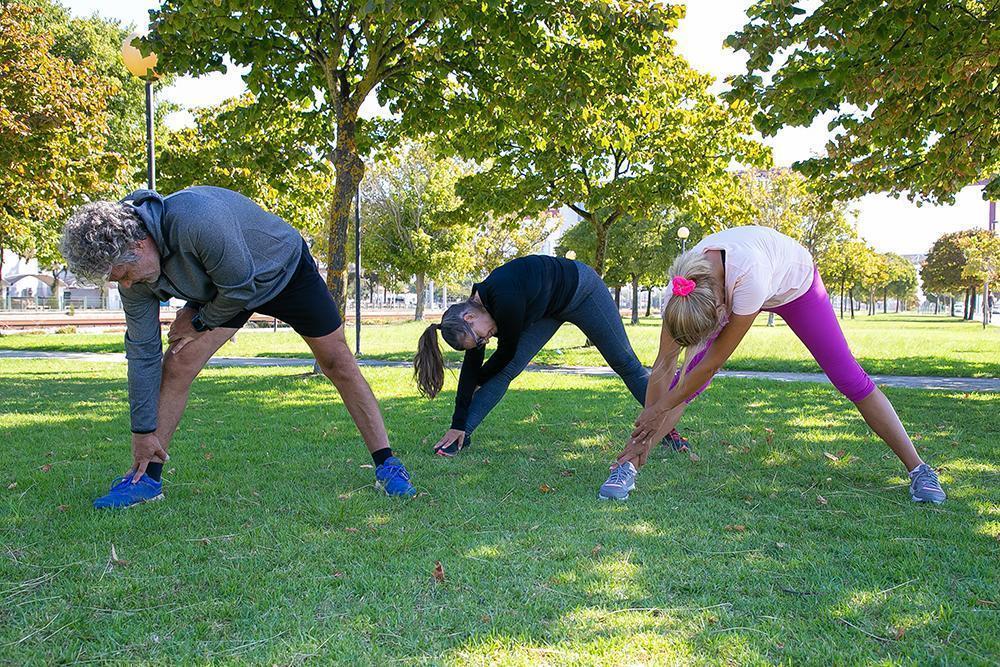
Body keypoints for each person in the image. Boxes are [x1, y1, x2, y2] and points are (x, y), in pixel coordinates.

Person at [60, 186, 416, 508]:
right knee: (178, 363)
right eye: (117, 280)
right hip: (226, 286)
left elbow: (242, 289)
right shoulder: (133, 278)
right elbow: (142, 352)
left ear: (139, 245)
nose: (127, 284)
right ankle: (146, 478)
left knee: (337, 362)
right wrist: (141, 431)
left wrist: (198, 320)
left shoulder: (198, 220)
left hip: (281, 270)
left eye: (124, 274)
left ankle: (387, 464)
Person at [607, 225, 946, 504]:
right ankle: (629, 466)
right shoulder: (681, 293)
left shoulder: (749, 278)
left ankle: (919, 469)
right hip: (726, 288)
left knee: (848, 376)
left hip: (795, 286)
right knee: (676, 379)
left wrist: (658, 409)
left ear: (720, 308)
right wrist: (640, 437)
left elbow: (709, 365)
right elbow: (663, 365)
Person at [413, 254, 688, 490]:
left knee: (625, 363)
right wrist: (458, 422)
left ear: (469, 317)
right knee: (505, 373)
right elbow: (472, 368)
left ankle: (666, 427)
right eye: (481, 343)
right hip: (549, 307)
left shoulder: (504, 299)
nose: (485, 341)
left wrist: (479, 379)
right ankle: (463, 435)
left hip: (582, 290)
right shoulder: (478, 316)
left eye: (482, 338)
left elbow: (504, 354)